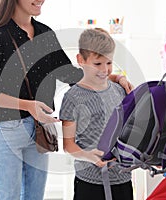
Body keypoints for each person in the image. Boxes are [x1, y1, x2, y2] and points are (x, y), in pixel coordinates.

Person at [0, 0, 133, 199]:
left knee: (34, 197)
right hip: (5, 131)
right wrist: (27, 105)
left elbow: (72, 75)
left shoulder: (44, 34)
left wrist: (115, 77)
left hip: (39, 131)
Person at [59, 28, 133, 200]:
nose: (104, 70)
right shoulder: (72, 98)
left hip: (122, 178)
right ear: (80, 60)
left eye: (109, 63)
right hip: (89, 182)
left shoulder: (119, 90)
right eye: (97, 64)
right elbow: (68, 145)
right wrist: (89, 156)